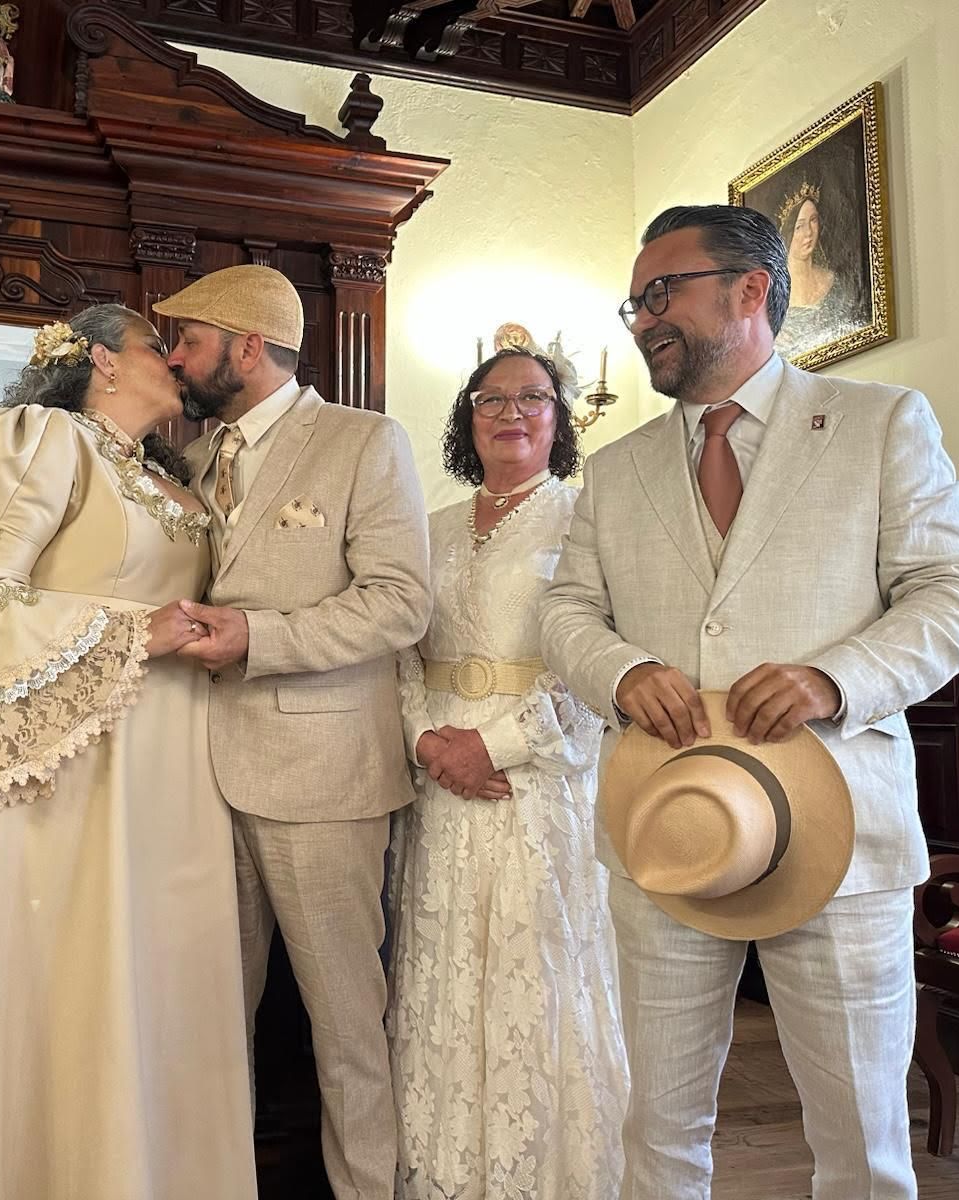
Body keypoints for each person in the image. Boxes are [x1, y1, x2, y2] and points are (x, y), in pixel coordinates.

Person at [540, 203, 959, 1199]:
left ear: (751, 290)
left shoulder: (882, 423)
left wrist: (837, 678)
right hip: (666, 826)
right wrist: (619, 672)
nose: (640, 318)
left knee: (861, 1140)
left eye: (661, 292)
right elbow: (566, 612)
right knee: (654, 1128)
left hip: (839, 828)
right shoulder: (611, 472)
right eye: (634, 301)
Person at [0, 304, 257, 1200]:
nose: (181, 360)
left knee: (160, 989)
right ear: (102, 360)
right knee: (68, 978)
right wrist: (132, 634)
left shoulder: (184, 481)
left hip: (176, 765)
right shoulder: (41, 438)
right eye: (161, 345)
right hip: (70, 763)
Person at [156, 264, 430, 1200]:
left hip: (325, 778)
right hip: (192, 777)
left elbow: (400, 605)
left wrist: (256, 637)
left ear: (246, 344)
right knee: (204, 1020)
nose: (174, 359)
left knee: (348, 1024)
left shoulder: (364, 442)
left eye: (187, 340)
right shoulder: (187, 464)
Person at [389, 335, 626, 1200]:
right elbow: (400, 650)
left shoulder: (587, 516)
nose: (512, 414)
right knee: (442, 970)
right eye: (492, 399)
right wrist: (427, 740)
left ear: (560, 419)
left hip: (538, 781)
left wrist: (501, 745)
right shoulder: (431, 527)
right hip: (437, 779)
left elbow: (600, 656)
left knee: (536, 975)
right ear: (467, 418)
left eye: (532, 398)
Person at [773, 181, 866, 357]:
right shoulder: (774, 297)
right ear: (788, 232)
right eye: (799, 226)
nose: (809, 232)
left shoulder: (836, 284)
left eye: (813, 220)